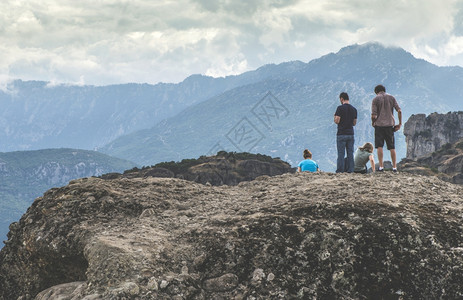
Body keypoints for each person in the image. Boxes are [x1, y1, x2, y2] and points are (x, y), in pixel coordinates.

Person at [371, 85, 402, 172]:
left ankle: (381, 166)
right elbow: (399, 110)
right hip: (389, 125)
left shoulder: (375, 99)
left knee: (379, 146)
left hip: (379, 125)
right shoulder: (391, 98)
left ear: (376, 92)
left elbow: (374, 115)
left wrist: (373, 122)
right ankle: (394, 167)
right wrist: (399, 123)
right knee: (392, 146)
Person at [334, 92, 357, 173]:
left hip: (341, 134)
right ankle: (350, 170)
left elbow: (337, 120)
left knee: (341, 153)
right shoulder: (354, 109)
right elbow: (354, 123)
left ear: (341, 99)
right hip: (350, 133)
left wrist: (335, 116)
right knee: (350, 153)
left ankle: (340, 170)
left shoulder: (340, 108)